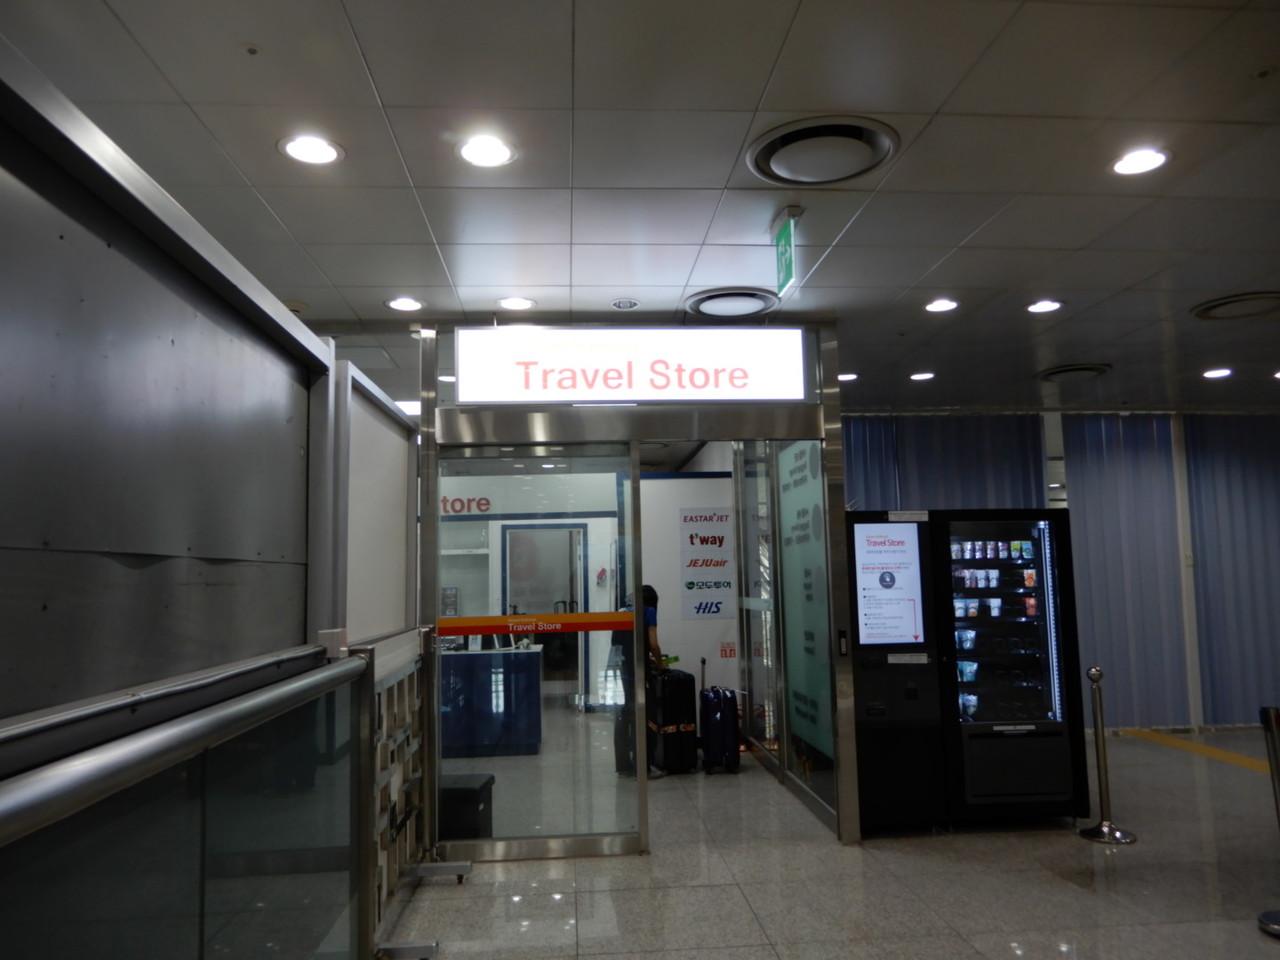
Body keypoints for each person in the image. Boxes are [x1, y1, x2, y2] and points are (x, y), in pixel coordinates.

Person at [611, 585, 662, 776]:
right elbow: (653, 644)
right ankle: (644, 766)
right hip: (640, 672)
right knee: (645, 715)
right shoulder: (648, 612)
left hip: (623, 671)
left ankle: (624, 765)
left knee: (626, 714)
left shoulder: (621, 612)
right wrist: (660, 663)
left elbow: (618, 644)